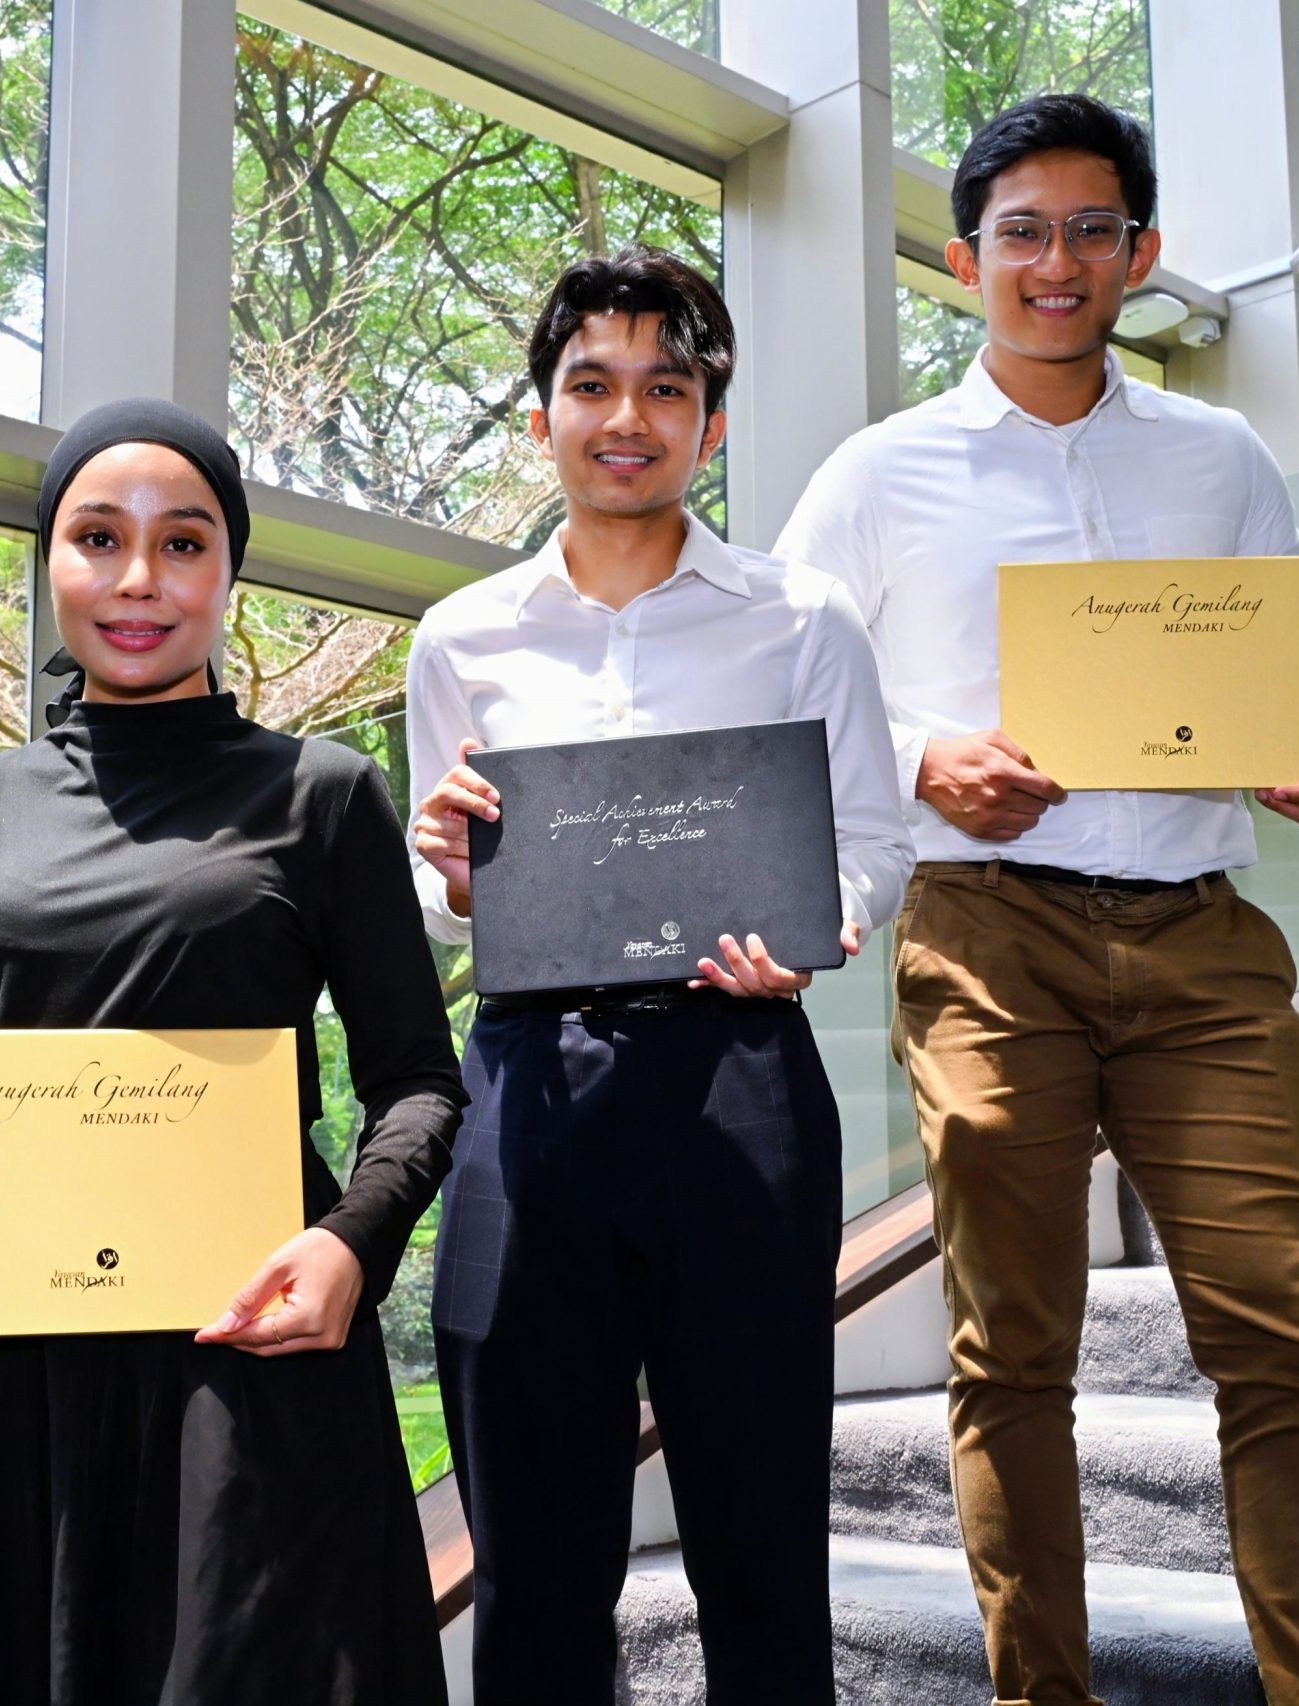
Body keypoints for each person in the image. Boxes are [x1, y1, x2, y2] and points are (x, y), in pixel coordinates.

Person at [775, 94, 1299, 1706]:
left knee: (1282, 1339)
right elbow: (788, 684)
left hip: (1203, 935)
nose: (1058, 262)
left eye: (1093, 231)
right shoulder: (876, 475)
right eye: (1025, 234)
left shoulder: (1218, 453)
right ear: (965, 258)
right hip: (988, 936)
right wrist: (924, 756)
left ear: (1142, 251)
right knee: (1013, 1352)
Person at [0, 398, 464, 1705]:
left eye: (182, 544)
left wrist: (352, 1244)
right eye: (99, 537)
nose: (137, 580)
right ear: (49, 558)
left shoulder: (323, 792)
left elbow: (418, 1082)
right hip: (2, 1357)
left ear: (229, 574)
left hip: (246, 1353)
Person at [406, 246, 916, 1704]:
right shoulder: (461, 636)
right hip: (527, 1085)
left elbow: (874, 843)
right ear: (541, 419)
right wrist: (446, 869)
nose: (626, 417)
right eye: (591, 385)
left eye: (665, 388)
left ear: (712, 423)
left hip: (738, 1074)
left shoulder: (801, 617)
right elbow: (445, 899)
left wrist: (810, 925)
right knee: (529, 1540)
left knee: (760, 1527)